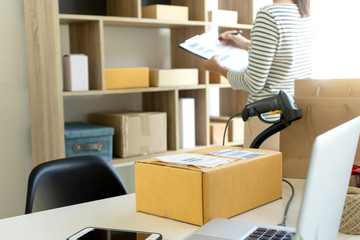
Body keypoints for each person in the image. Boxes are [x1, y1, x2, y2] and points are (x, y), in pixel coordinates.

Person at [203, 0, 313, 150]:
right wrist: (246, 44)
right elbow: (285, 53)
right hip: (294, 116)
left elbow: (253, 83)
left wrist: (218, 69)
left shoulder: (269, 15)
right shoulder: (304, 14)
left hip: (267, 121)